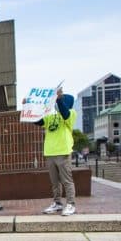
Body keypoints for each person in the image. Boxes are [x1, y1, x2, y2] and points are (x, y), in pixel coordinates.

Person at [32, 87, 77, 216]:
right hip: (50, 152)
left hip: (63, 151)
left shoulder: (71, 113)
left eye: (60, 101)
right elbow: (38, 121)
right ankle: (57, 203)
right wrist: (29, 107)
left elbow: (65, 113)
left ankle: (71, 204)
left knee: (66, 180)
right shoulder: (51, 116)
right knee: (54, 182)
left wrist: (59, 100)